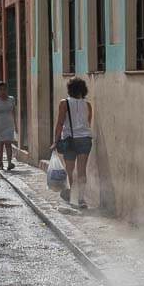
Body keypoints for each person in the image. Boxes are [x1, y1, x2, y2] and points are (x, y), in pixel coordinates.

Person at [51, 77, 94, 209]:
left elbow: (60, 123)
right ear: (83, 89)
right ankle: (81, 199)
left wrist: (55, 141)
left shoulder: (64, 103)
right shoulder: (87, 104)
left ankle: (71, 195)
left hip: (70, 140)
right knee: (82, 171)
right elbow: (88, 122)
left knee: (70, 170)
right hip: (85, 139)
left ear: (70, 89)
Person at [0, 81, 17, 171]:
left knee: (8, 144)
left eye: (4, 89)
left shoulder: (11, 99)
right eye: (1, 89)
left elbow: (14, 112)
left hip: (9, 123)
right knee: (0, 143)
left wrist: (16, 124)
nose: (3, 91)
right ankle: (0, 162)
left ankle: (9, 162)